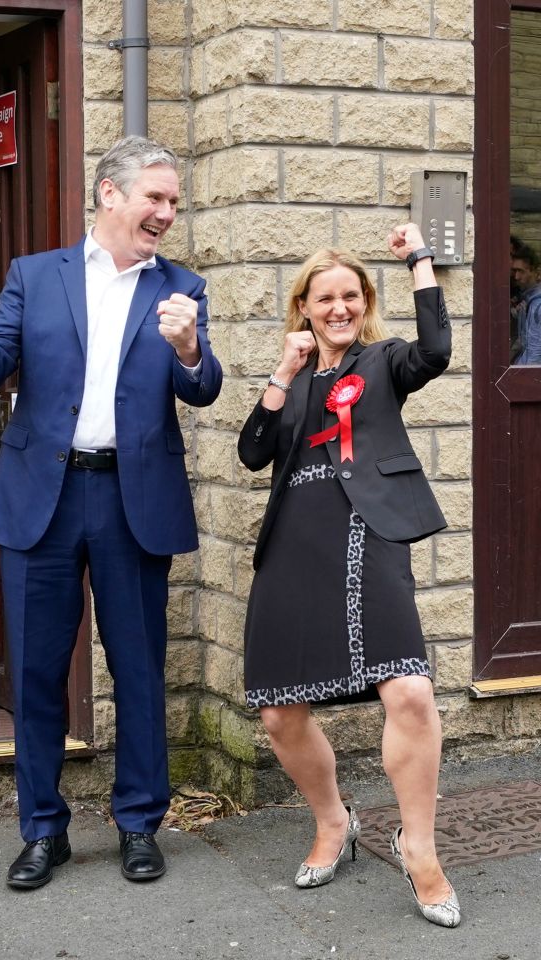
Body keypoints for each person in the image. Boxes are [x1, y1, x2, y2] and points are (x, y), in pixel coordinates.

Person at [0, 135, 223, 890]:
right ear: (109, 194)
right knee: (36, 673)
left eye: (174, 201)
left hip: (133, 502)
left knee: (138, 669)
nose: (167, 212)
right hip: (44, 498)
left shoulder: (182, 289)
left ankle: (139, 823)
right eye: (155, 198)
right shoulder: (35, 277)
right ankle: (42, 830)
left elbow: (202, 389)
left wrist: (192, 348)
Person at [238, 223, 460, 928]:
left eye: (350, 297)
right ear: (303, 305)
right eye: (323, 298)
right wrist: (282, 371)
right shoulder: (295, 376)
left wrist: (421, 260)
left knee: (412, 695)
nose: (338, 309)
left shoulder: (386, 360)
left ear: (364, 303)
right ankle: (334, 823)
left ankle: (419, 850)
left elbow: (437, 351)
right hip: (294, 544)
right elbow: (252, 452)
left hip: (370, 532)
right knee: (280, 712)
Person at [510, 243, 541, 364]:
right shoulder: (527, 300)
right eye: (514, 271)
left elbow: (534, 355)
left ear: (535, 272)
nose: (516, 277)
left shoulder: (537, 305)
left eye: (520, 271)